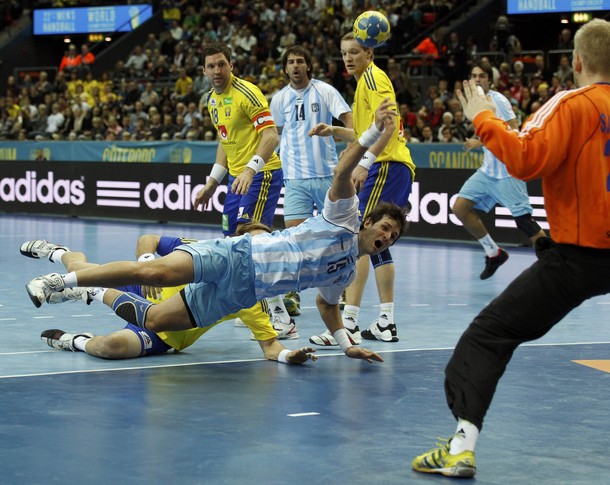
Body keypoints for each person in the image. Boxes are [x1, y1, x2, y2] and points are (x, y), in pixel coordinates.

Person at [26, 100, 407, 364]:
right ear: (368, 223)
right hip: (238, 255)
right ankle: (57, 280)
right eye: (386, 228)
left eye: (393, 237)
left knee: (156, 320)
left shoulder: (345, 272)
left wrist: (345, 345)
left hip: (244, 293)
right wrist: (374, 131)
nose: (387, 237)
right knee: (152, 272)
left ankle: (85, 293)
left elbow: (327, 306)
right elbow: (342, 171)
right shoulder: (343, 217)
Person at [412, 18, 610, 478]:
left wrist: (482, 117)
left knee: (487, 336)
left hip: (579, 260)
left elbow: (523, 159)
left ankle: (461, 447)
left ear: (577, 62)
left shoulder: (571, 104)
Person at [22, 228, 311, 364]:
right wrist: (148, 265)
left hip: (165, 331)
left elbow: (270, 348)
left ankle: (74, 339)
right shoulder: (206, 249)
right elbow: (148, 239)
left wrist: (289, 356)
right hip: (142, 288)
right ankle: (57, 253)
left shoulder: (249, 298)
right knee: (79, 269)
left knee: (109, 347)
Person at [309, 33, 416, 345]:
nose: (348, 58)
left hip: (387, 165)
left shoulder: (372, 77)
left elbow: (388, 125)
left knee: (359, 236)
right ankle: (386, 322)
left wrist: (365, 162)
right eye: (344, 53)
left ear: (369, 52)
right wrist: (335, 130)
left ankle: (349, 323)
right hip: (394, 166)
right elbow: (364, 132)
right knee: (379, 242)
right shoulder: (362, 85)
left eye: (354, 52)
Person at [192, 42, 292, 328]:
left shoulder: (247, 92)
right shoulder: (212, 100)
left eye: (221, 64)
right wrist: (212, 182)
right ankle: (254, 307)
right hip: (237, 179)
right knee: (233, 242)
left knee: (253, 241)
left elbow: (271, 136)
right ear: (204, 71)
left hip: (261, 174)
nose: (217, 70)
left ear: (231, 66)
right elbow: (224, 141)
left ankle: (281, 318)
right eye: (211, 66)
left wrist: (250, 169)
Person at [270, 45, 353, 317]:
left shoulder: (325, 91)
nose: (295, 65)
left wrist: (350, 148)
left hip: (327, 176)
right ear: (285, 68)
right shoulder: (279, 99)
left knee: (337, 237)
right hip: (295, 179)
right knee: (295, 241)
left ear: (308, 65)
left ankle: (340, 289)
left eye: (300, 61)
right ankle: (292, 293)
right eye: (291, 62)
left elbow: (350, 121)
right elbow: (275, 135)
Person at [452, 62, 546, 280]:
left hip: (507, 172)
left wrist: (479, 142)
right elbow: (487, 130)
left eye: (482, 76)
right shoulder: (476, 103)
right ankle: (494, 253)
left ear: (490, 80)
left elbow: (513, 131)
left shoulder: (499, 100)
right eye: (474, 76)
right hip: (487, 172)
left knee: (525, 223)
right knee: (460, 208)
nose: (477, 79)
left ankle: (554, 263)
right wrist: (478, 139)